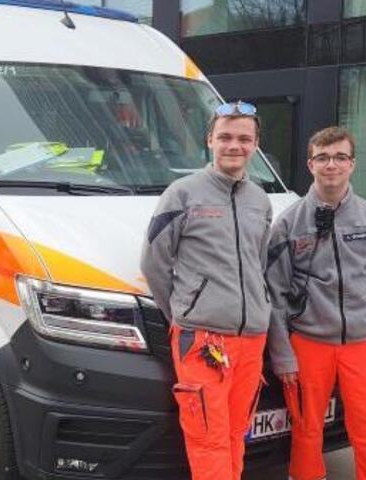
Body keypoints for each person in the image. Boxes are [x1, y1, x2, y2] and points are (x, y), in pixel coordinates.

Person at [140, 101, 273, 480]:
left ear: (255, 144)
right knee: (208, 439)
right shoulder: (182, 194)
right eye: (225, 137)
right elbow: (153, 262)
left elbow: (259, 264)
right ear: (209, 140)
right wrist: (185, 311)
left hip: (252, 339)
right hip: (203, 339)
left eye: (244, 139)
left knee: (235, 433)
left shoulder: (260, 200)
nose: (235, 145)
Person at [266, 126, 366, 480]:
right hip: (308, 344)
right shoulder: (289, 223)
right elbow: (274, 294)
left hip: (364, 345)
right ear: (310, 164)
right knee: (306, 431)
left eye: (340, 157)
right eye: (323, 158)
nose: (332, 165)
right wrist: (282, 354)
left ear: (352, 164)